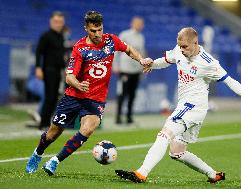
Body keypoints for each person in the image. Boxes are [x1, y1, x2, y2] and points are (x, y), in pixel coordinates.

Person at [115, 27, 241, 183]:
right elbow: (166, 60)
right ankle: (213, 174)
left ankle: (141, 173)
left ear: (195, 43)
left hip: (193, 107)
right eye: (180, 46)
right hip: (191, 109)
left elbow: (229, 80)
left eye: (185, 47)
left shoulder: (208, 62)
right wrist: (152, 64)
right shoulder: (179, 50)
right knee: (176, 152)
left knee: (164, 134)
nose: (182, 50)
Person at [25, 11, 150, 175]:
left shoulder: (111, 40)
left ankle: (54, 161)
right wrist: (79, 84)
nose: (97, 34)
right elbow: (69, 77)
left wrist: (141, 60)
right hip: (73, 97)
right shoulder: (80, 48)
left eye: (100, 30)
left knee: (89, 128)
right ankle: (37, 154)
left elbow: (128, 49)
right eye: (93, 31)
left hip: (96, 99)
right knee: (54, 132)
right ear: (86, 29)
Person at [35, 11, 66, 130]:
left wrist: (64, 67)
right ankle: (43, 123)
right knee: (49, 97)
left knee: (54, 98)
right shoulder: (46, 35)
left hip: (58, 70)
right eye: (56, 21)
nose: (58, 24)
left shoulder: (61, 36)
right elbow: (39, 52)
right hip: (48, 69)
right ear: (51, 22)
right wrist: (38, 68)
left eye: (60, 22)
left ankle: (47, 122)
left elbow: (60, 55)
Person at [114, 16, 146, 124]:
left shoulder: (141, 37)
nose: (139, 26)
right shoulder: (125, 34)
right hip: (125, 69)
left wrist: (143, 67)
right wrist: (116, 65)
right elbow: (116, 50)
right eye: (137, 23)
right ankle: (118, 117)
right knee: (122, 94)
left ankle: (129, 116)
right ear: (132, 23)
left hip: (136, 70)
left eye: (141, 24)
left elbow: (142, 53)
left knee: (132, 95)